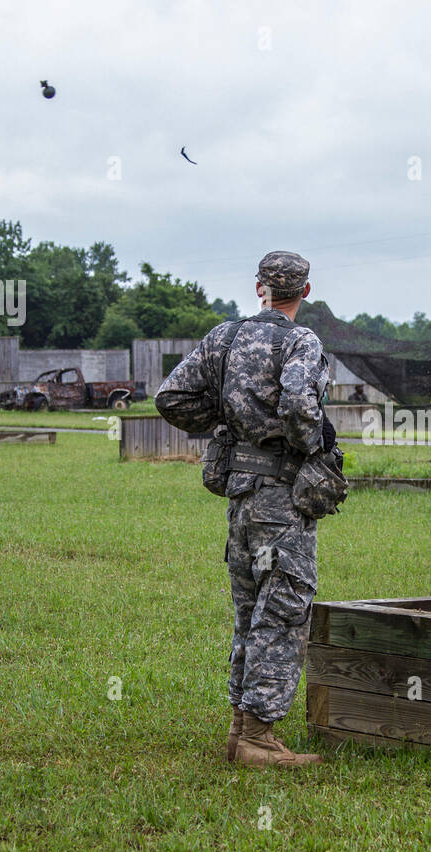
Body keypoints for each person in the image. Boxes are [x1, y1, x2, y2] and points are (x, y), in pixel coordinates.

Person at [155, 251, 332, 768]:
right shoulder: (301, 341)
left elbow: (172, 398)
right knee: (283, 607)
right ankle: (258, 738)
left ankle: (240, 731)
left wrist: (228, 424)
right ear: (305, 290)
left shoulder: (225, 337)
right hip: (282, 491)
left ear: (259, 288)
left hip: (241, 494)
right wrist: (310, 444)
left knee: (250, 608)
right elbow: (302, 408)